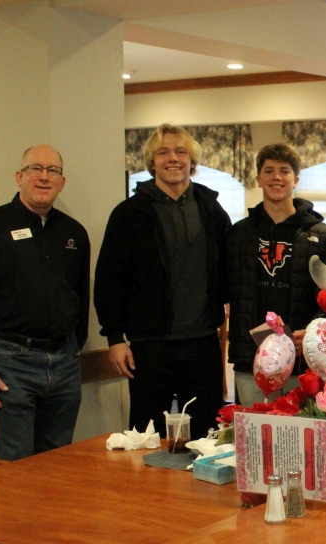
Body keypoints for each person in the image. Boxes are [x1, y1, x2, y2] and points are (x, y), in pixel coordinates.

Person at [0, 145, 90, 461]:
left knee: (58, 462)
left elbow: (80, 297)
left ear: (61, 182)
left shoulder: (74, 234)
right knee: (14, 465)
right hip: (9, 363)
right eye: (35, 169)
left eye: (52, 170)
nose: (43, 177)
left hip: (64, 363)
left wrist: (71, 347)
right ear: (19, 177)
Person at [94, 124, 231, 440]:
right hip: (149, 347)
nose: (173, 158)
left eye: (181, 152)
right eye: (163, 152)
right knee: (146, 437)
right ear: (151, 161)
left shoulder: (211, 210)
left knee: (207, 438)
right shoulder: (128, 215)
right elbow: (109, 280)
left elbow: (229, 268)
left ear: (192, 162)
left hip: (201, 345)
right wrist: (115, 337)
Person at [226, 143, 326, 407]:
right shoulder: (238, 233)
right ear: (258, 179)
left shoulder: (324, 236)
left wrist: (309, 334)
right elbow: (227, 289)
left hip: (304, 363)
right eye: (269, 170)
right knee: (254, 440)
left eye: (284, 171)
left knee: (301, 442)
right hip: (250, 361)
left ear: (295, 179)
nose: (276, 177)